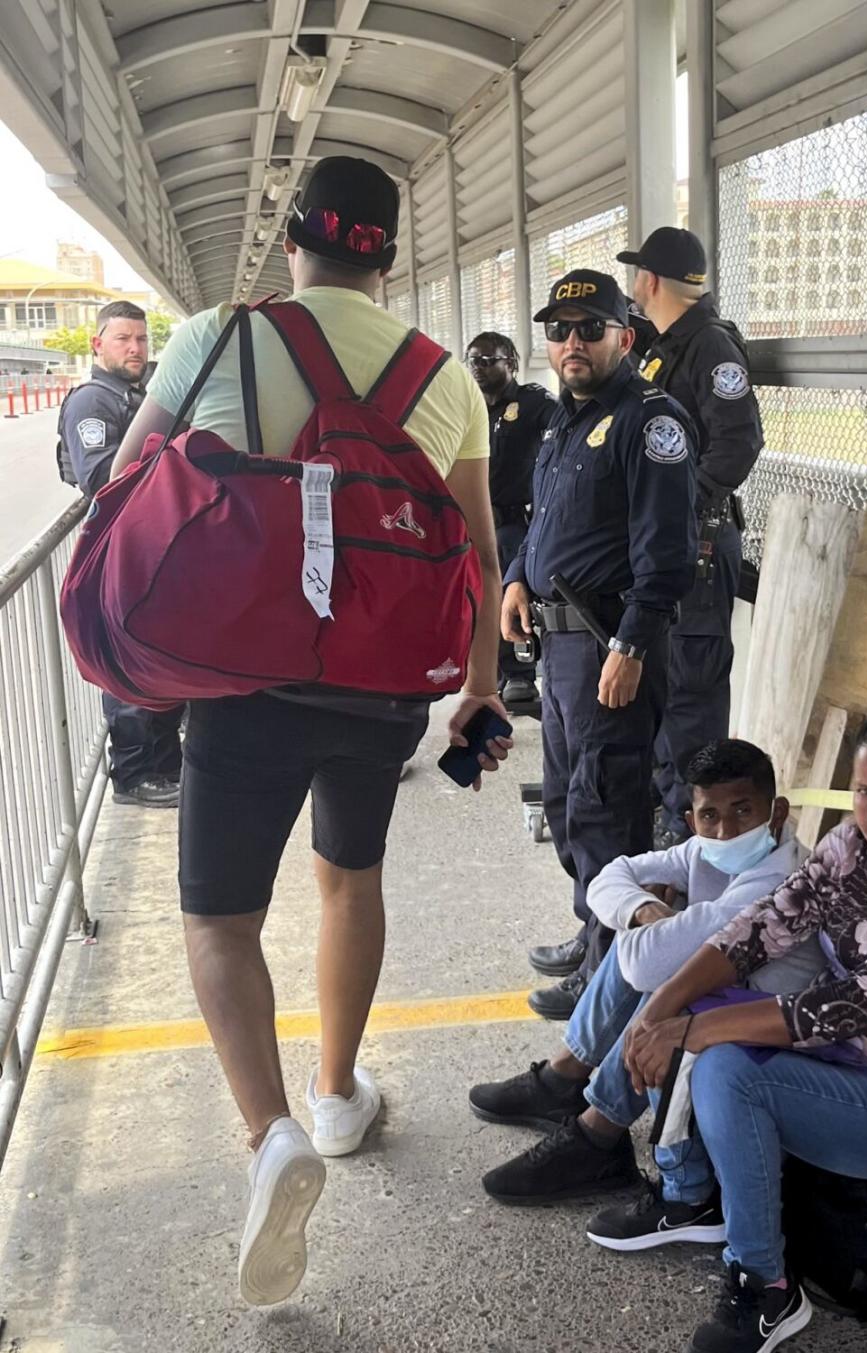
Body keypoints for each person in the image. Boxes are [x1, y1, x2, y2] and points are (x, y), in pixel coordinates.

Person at [111, 157, 509, 1307]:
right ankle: (337, 1095)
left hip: (244, 681)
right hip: (383, 685)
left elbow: (131, 481)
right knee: (350, 877)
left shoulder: (214, 340)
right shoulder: (446, 377)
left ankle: (268, 1131)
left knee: (220, 918)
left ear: (294, 243)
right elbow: (477, 553)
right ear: (387, 254)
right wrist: (477, 688)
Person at [623, 687, 867, 1353]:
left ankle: (766, 1287)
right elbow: (763, 925)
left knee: (724, 1065)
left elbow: (844, 1007)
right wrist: (659, 1009)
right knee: (694, 1019)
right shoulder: (855, 845)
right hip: (844, 1062)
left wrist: (686, 1029)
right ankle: (699, 1201)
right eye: (864, 791)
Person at [470, 739, 822, 1219]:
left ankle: (597, 1135)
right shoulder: (705, 849)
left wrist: (649, 924)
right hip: (734, 1002)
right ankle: (563, 1079)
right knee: (647, 932)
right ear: (692, 820)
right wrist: (641, 908)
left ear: (776, 813)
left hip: (774, 1026)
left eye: (744, 811)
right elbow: (610, 877)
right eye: (710, 816)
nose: (726, 830)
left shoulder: (774, 880)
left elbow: (644, 965)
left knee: (665, 974)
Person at [502, 269, 698, 1019]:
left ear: (625, 334)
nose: (571, 342)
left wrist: (633, 645)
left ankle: (611, 984)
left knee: (606, 807)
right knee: (565, 799)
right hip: (560, 649)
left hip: (605, 644)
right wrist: (520, 574)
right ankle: (595, 932)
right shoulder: (564, 417)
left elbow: (668, 553)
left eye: (589, 328)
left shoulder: (651, 422)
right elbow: (547, 516)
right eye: (558, 329)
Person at [617, 228, 763, 848]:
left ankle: (700, 873)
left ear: (648, 280)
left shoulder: (709, 345)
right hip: (672, 550)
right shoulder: (665, 348)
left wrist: (672, 509)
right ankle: (668, 859)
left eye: (634, 275)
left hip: (697, 551)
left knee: (690, 713)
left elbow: (739, 441)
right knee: (663, 709)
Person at [57, 300, 182, 809]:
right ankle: (134, 775)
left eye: (142, 340)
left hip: (144, 548)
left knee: (153, 654)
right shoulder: (93, 402)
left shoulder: (134, 395)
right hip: (117, 553)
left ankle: (162, 763)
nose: (135, 348)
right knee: (128, 663)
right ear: (98, 344)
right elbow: (100, 478)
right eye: (123, 339)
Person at [465, 331, 555, 706]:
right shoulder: (468, 407)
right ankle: (497, 673)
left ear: (512, 363)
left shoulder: (535, 403)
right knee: (483, 598)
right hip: (476, 521)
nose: (480, 368)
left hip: (516, 522)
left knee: (513, 593)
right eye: (474, 361)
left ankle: (521, 673)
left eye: (489, 360)